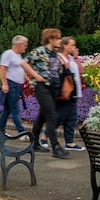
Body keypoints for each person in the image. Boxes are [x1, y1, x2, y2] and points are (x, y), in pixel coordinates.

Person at [24, 28, 70, 159]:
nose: (60, 41)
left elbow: (56, 71)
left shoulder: (55, 53)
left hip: (53, 88)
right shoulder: (39, 51)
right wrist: (35, 76)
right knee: (51, 116)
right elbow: (23, 62)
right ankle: (55, 147)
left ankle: (34, 143)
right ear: (51, 39)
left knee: (42, 117)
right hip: (43, 87)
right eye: (58, 38)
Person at [0, 35, 40, 140]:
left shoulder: (17, 56)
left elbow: (20, 69)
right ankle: (22, 133)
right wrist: (5, 84)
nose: (26, 47)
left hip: (16, 86)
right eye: (25, 45)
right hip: (11, 85)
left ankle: (0, 131)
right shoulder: (8, 54)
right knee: (15, 109)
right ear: (19, 44)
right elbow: (2, 69)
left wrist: (27, 80)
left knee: (7, 110)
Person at [53, 37, 85, 151]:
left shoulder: (71, 58)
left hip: (74, 91)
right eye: (71, 45)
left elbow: (81, 71)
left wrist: (76, 57)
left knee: (71, 117)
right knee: (60, 116)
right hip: (64, 92)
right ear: (64, 45)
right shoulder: (59, 57)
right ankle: (44, 136)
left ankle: (70, 142)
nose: (74, 47)